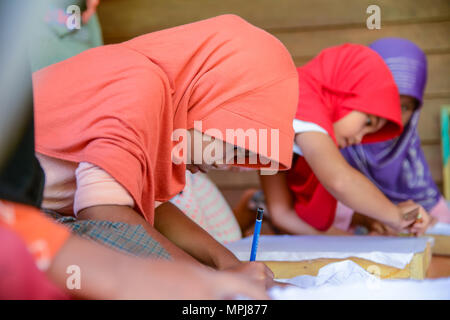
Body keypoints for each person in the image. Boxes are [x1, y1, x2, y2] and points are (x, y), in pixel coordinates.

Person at [0, 1, 270, 299]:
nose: (227, 165)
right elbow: (104, 217)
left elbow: (144, 211)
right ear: (206, 96)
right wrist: (202, 279)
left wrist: (226, 265)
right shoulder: (140, 83)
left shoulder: (152, 99)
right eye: (232, 146)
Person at [256, 44, 432, 237]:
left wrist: (355, 242)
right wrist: (396, 216)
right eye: (367, 121)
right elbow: (339, 180)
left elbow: (282, 214)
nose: (358, 138)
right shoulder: (300, 97)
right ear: (341, 92)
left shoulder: (293, 138)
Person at [335, 38, 449, 234]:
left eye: (405, 107)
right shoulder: (339, 139)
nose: (393, 113)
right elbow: (312, 207)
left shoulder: (410, 162)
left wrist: (425, 221)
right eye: (388, 99)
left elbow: (440, 220)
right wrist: (364, 217)